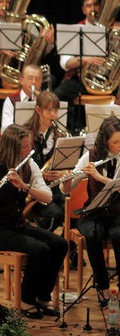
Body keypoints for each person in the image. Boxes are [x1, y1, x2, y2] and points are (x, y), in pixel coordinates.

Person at [60, 116, 120, 308]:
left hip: (119, 213)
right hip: (94, 213)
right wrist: (67, 179)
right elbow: (66, 190)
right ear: (106, 141)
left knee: (119, 234)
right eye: (116, 142)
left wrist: (99, 177)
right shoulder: (91, 156)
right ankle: (101, 285)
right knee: (93, 234)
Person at [0, 124, 66, 319]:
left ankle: (42, 296)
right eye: (24, 147)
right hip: (1, 229)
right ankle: (27, 299)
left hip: (17, 225)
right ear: (12, 148)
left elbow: (47, 197)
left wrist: (24, 186)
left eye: (29, 145)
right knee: (40, 249)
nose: (30, 151)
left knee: (59, 244)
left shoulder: (28, 165)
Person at [22, 91, 69, 231]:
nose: (54, 115)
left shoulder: (58, 135)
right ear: (38, 110)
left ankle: (69, 247)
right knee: (55, 214)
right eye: (49, 110)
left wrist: (61, 174)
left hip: (53, 186)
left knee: (71, 205)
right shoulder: (26, 134)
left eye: (56, 110)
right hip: (33, 188)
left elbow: (65, 166)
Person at [1, 64, 44, 134]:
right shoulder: (11, 100)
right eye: (30, 78)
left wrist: (43, 102)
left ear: (41, 81)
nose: (34, 82)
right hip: (18, 141)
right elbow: (5, 128)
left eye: (37, 79)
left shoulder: (46, 100)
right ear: (21, 80)